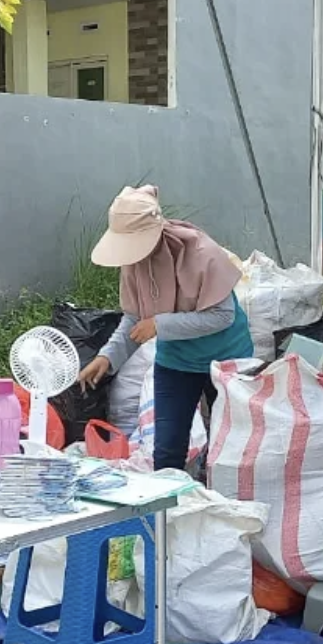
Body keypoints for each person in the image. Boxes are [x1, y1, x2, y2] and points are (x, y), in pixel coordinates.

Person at [77, 186, 252, 471]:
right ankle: (169, 516)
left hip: (225, 359)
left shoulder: (201, 253)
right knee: (167, 452)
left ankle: (223, 509)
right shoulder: (133, 264)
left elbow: (222, 317)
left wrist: (160, 324)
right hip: (176, 361)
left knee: (229, 451)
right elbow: (134, 319)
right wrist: (107, 357)